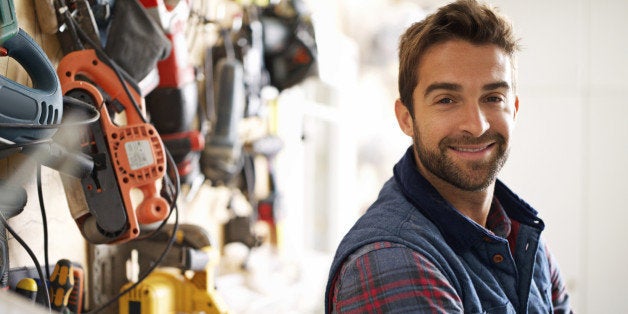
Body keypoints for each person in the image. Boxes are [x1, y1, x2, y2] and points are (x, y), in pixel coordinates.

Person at [325, 0, 573, 313]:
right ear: (406, 118)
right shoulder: (392, 260)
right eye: (447, 100)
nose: (476, 124)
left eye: (493, 97)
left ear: (515, 109)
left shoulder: (520, 235)